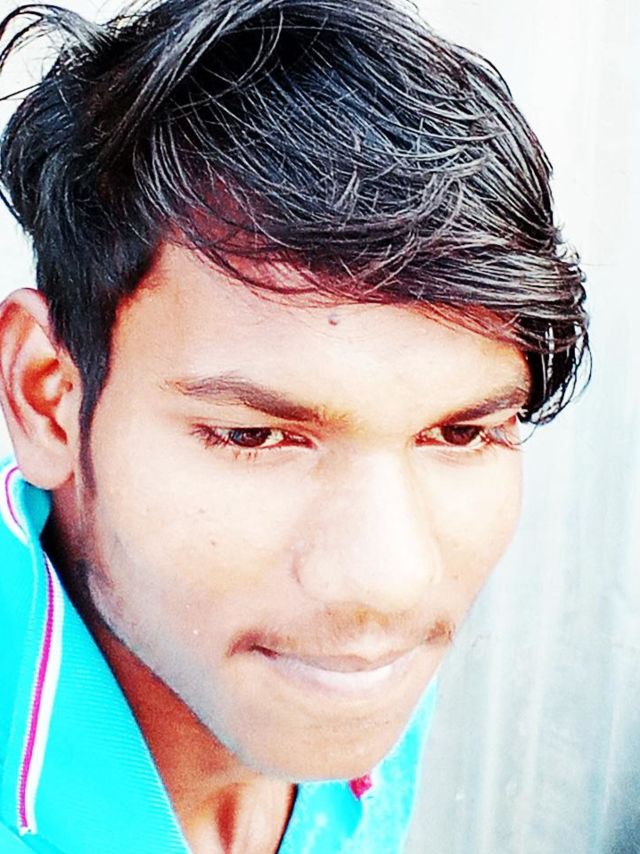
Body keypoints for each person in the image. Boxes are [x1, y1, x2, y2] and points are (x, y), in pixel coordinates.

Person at [0, 0, 589, 851]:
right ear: (47, 397)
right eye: (254, 437)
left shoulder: (335, 667)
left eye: (460, 435)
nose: (388, 585)